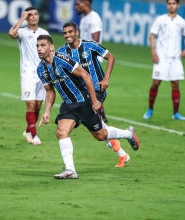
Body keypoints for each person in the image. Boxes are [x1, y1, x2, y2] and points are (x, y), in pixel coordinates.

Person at [36, 35, 140, 179]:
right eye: (38, 46)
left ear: (51, 47)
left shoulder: (62, 59)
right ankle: (70, 170)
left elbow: (86, 76)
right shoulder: (41, 69)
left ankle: (128, 134)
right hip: (68, 105)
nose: (39, 49)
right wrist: (46, 111)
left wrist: (94, 101)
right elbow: (50, 92)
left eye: (43, 45)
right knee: (61, 132)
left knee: (100, 135)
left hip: (83, 102)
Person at [58, 22, 133, 168]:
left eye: (70, 32)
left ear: (77, 32)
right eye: (65, 33)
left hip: (97, 90)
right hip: (79, 94)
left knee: (95, 126)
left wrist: (106, 78)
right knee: (98, 129)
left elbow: (111, 57)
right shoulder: (63, 52)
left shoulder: (90, 45)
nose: (67, 35)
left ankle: (70, 168)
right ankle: (124, 147)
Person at [143, 0, 185, 120]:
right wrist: (154, 52)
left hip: (175, 58)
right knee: (156, 83)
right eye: (169, 3)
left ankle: (176, 113)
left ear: (178, 6)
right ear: (167, 5)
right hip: (161, 57)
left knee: (175, 85)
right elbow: (152, 36)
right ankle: (150, 109)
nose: (171, 5)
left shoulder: (182, 22)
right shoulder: (160, 19)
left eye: (174, 3)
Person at [9, 6, 49, 145]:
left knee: (38, 105)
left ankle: (27, 130)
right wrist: (21, 19)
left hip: (42, 73)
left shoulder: (44, 32)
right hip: (27, 73)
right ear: (27, 17)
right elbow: (11, 33)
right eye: (30, 15)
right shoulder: (22, 32)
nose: (33, 16)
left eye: (36, 14)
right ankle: (34, 134)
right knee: (30, 103)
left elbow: (50, 50)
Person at [75, 0, 108, 123]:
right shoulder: (85, 18)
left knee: (92, 86)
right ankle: (100, 114)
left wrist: (90, 57)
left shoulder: (93, 18)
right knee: (88, 86)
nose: (76, 7)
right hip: (85, 58)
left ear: (86, 3)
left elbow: (96, 40)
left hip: (91, 59)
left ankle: (98, 114)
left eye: (78, 4)